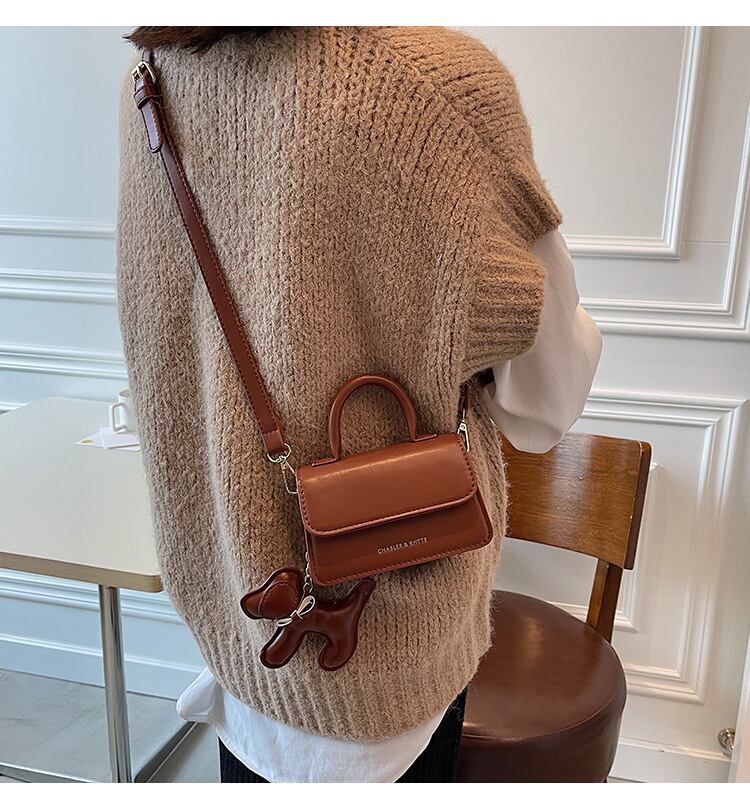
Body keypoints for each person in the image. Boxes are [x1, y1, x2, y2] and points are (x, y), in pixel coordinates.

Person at [117, 26, 601, 783]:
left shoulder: (149, 83)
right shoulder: (436, 93)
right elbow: (547, 404)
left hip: (236, 645)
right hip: (391, 686)